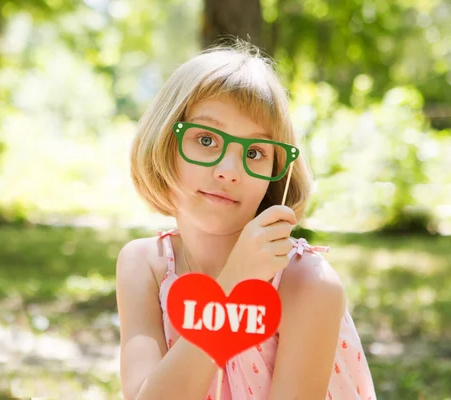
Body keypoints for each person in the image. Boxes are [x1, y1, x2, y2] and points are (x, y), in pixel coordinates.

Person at [116, 39, 376, 400]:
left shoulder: (307, 284)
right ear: (164, 142)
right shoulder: (144, 265)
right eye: (206, 139)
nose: (228, 171)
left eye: (254, 152)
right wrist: (230, 285)